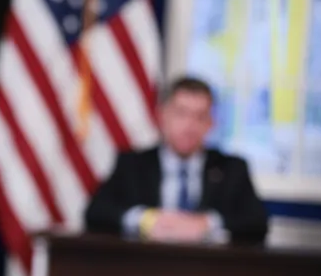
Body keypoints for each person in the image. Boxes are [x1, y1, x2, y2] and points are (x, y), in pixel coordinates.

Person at [83, 76, 269, 242]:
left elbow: (257, 222)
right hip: (143, 270)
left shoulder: (231, 168)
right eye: (181, 113)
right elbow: (96, 213)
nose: (190, 125)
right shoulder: (133, 164)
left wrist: (206, 223)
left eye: (200, 116)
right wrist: (147, 219)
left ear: (211, 123)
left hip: (209, 273)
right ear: (163, 116)